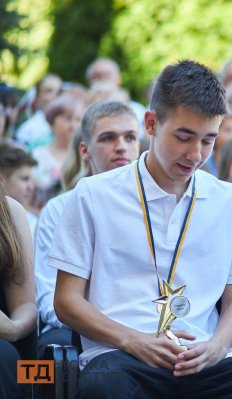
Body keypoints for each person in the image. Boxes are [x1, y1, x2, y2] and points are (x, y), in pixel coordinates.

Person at [50, 60, 232, 399]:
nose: (196, 155)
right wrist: (134, 340)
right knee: (105, 389)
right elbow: (67, 301)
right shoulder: (93, 194)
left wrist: (218, 346)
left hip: (204, 361)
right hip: (121, 357)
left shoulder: (228, 199)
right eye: (183, 137)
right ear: (151, 123)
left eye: (208, 140)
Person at [35, 101, 141, 355]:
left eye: (130, 137)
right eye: (108, 138)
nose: (121, 147)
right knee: (45, 359)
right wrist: (102, 326)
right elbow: (48, 297)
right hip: (72, 327)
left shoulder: (155, 205)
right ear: (85, 150)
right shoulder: (59, 209)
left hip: (143, 324)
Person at [0, 192, 36, 399]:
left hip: (4, 343)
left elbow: (25, 305)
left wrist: (14, 328)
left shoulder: (9, 210)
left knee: (6, 357)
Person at [31, 93, 85, 209]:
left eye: (78, 119)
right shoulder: (38, 155)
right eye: (68, 118)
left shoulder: (86, 156)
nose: (73, 125)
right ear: (51, 123)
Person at [0, 144, 38, 235]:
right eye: (25, 179)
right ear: (1, 179)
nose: (31, 187)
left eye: (31, 179)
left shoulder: (33, 222)